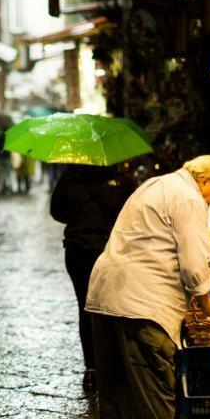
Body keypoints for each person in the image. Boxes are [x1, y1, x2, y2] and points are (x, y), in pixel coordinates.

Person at [85, 155, 210, 419]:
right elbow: (195, 262)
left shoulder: (158, 184)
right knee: (154, 379)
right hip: (142, 297)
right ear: (206, 181)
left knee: (118, 383)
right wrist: (207, 303)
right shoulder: (189, 197)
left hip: (108, 290)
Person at [49, 164, 133, 394]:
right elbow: (131, 212)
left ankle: (91, 369)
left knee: (85, 307)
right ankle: (114, 366)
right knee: (113, 306)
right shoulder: (120, 178)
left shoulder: (70, 176)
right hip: (110, 251)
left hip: (78, 250)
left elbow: (57, 212)